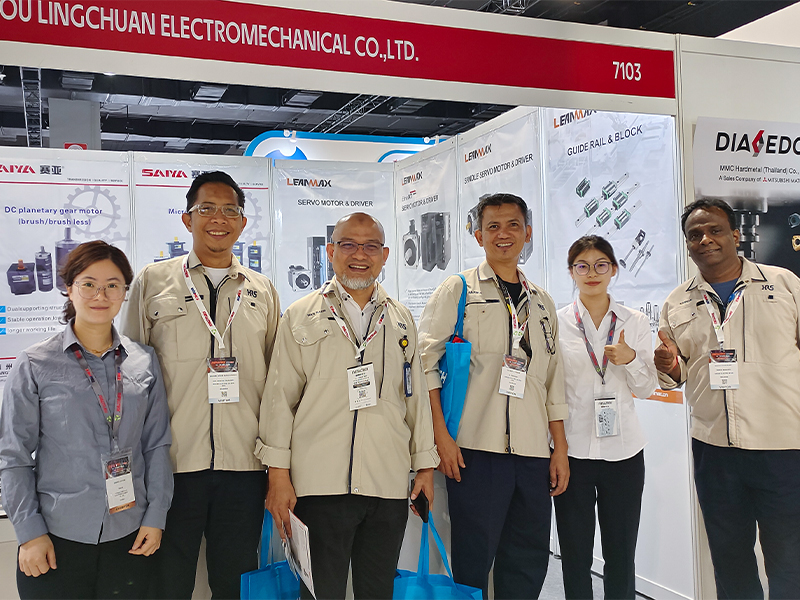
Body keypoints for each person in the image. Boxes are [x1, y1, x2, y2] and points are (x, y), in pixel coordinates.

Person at [259, 212, 439, 600]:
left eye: (370, 246)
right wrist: (278, 475)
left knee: (378, 591)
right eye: (348, 245)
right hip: (318, 485)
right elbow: (279, 401)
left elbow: (415, 400)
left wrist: (425, 467)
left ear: (385, 255)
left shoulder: (401, 320)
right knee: (320, 593)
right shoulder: (300, 316)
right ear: (330, 251)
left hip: (386, 482)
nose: (360, 254)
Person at [121, 171, 281, 599]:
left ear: (242, 222)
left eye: (230, 210)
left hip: (244, 467)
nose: (218, 218)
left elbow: (277, 381)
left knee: (235, 580)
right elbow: (130, 376)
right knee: (168, 582)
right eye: (206, 208)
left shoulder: (261, 290)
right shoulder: (153, 281)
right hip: (173, 464)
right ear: (187, 219)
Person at [0, 240, 172, 599]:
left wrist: (156, 516)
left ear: (125, 292)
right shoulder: (35, 364)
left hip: (130, 535)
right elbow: (13, 456)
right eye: (88, 284)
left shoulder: (143, 360)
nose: (100, 295)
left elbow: (156, 445)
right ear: (69, 287)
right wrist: (30, 533)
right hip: (56, 539)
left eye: (112, 285)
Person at [418, 193, 569, 599]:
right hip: (475, 450)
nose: (504, 234)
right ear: (478, 235)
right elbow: (425, 363)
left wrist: (559, 448)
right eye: (493, 227)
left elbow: (551, 378)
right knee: (473, 561)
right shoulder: (459, 289)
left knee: (528, 560)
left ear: (528, 233)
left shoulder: (541, 302)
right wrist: (440, 438)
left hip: (533, 453)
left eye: (513, 225)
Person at [655, 198, 800, 600]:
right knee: (729, 558)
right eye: (695, 234)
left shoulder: (785, 285)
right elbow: (677, 375)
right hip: (714, 449)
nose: (705, 239)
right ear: (687, 244)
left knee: (789, 557)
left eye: (715, 230)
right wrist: (668, 366)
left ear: (736, 235)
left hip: (782, 445)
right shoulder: (677, 302)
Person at [554, 235, 657, 600]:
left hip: (624, 453)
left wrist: (630, 359)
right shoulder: (557, 323)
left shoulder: (635, 321)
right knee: (575, 553)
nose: (592, 273)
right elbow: (552, 391)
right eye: (582, 266)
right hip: (573, 452)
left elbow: (647, 388)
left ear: (613, 269)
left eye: (601, 264)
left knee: (621, 553)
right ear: (571, 272)